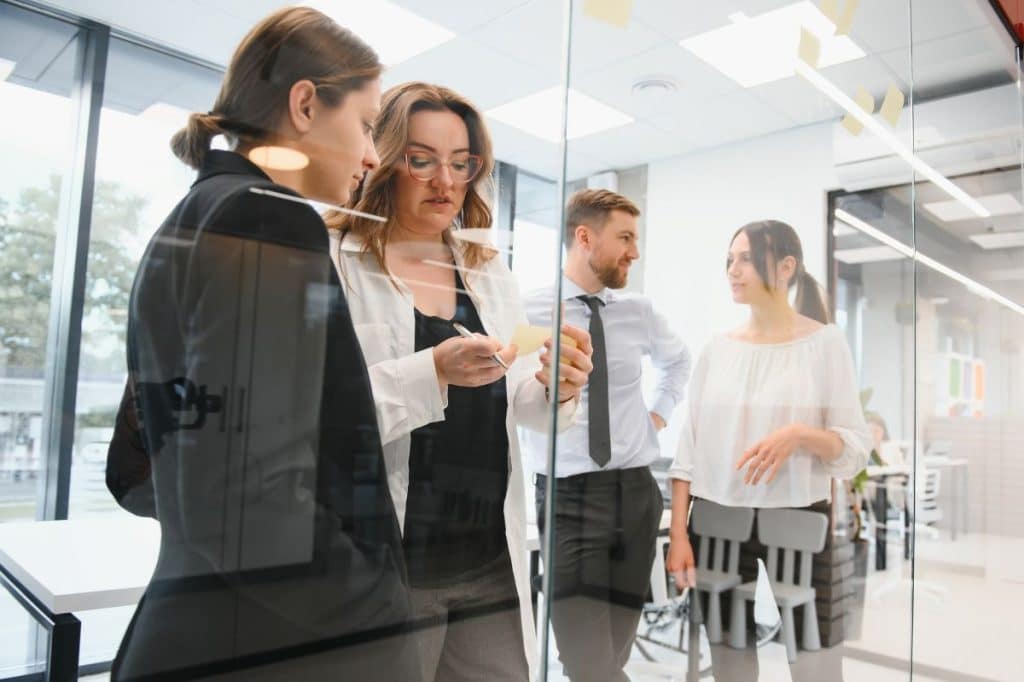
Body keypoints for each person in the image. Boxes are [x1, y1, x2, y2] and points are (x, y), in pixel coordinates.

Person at [106, 8, 419, 680]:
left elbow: (135, 472)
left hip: (199, 624)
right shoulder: (268, 218)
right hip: (265, 644)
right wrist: (384, 606)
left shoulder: (194, 216)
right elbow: (252, 496)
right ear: (305, 104)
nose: (372, 155)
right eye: (366, 125)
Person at [325, 81, 593, 682]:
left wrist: (561, 385)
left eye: (461, 163)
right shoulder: (339, 258)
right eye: (421, 160)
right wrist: (432, 371)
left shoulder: (485, 268)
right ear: (386, 160)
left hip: (488, 557)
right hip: (395, 562)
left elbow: (522, 401)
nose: (444, 181)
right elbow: (318, 412)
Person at [666, 219, 871, 676]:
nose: (733, 271)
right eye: (729, 260)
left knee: (815, 665)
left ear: (785, 267)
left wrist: (799, 435)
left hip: (797, 518)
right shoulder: (716, 349)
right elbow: (689, 450)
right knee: (730, 664)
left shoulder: (825, 343)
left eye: (745, 259)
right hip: (717, 519)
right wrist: (679, 533)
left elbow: (856, 448)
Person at [520, 188, 691, 682]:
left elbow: (678, 361)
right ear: (584, 236)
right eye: (625, 238)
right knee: (586, 660)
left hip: (637, 495)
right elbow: (509, 392)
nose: (634, 252)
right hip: (569, 498)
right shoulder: (531, 311)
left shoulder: (638, 310)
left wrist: (655, 416)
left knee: (613, 653)